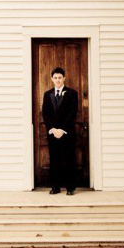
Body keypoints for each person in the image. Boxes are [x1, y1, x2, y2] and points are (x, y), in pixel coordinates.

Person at [41, 66, 78, 195]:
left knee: (69, 160)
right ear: (52, 79)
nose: (57, 80)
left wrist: (62, 129)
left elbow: (72, 113)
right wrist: (52, 129)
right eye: (55, 78)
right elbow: (45, 114)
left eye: (60, 78)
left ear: (64, 78)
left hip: (67, 132)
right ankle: (55, 187)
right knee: (55, 160)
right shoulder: (47, 95)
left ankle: (70, 187)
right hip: (53, 133)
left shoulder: (72, 94)